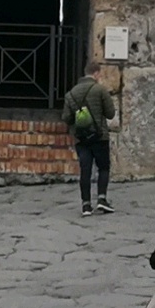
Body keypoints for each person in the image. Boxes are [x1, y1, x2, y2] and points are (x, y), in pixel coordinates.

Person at [59, 69, 116, 215]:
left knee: (85, 170)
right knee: (103, 167)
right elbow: (110, 114)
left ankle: (86, 205)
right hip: (99, 136)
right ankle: (102, 199)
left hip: (81, 138)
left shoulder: (71, 94)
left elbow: (66, 118)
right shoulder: (100, 90)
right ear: (96, 73)